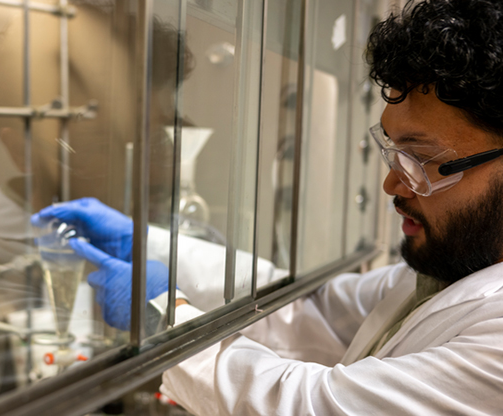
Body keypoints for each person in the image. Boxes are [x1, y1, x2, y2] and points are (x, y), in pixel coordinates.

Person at [34, 0, 503, 413]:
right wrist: (148, 243)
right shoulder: (449, 269)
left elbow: (311, 407)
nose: (391, 183)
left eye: (422, 158)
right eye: (395, 152)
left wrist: (164, 315)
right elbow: (307, 312)